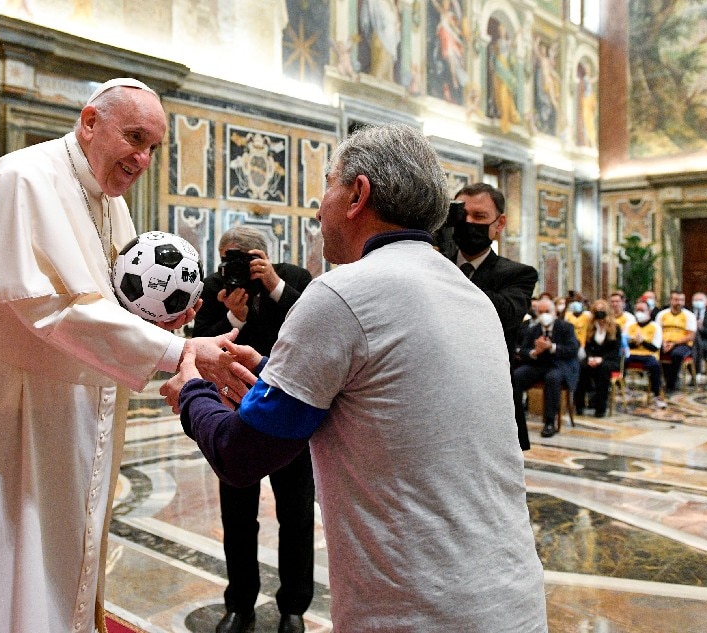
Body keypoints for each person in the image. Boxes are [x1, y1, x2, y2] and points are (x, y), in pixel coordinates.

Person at [0, 78, 241, 633]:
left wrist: (158, 318)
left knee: (50, 559)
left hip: (62, 412)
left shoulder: (111, 204)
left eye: (153, 147)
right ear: (90, 122)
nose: (142, 159)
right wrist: (177, 349)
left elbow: (107, 300)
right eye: (133, 138)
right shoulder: (22, 180)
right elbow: (52, 311)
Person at [162, 123, 548, 632]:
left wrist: (192, 389)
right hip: (512, 600)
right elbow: (382, 402)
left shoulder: (343, 292)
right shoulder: (468, 293)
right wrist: (275, 380)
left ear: (357, 194)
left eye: (327, 185)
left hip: (417, 612)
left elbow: (241, 454)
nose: (318, 209)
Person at [193, 226, 314, 633]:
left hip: (288, 412)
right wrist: (233, 318)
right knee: (238, 515)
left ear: (265, 256)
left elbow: (309, 330)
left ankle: (293, 608)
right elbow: (200, 342)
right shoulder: (214, 287)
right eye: (230, 257)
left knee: (296, 513)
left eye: (246, 258)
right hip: (235, 412)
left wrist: (276, 287)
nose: (237, 266)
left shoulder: (293, 278)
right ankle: (239, 603)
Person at [448, 182, 538, 360]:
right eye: (462, 215)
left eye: (479, 216)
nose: (468, 222)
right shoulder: (437, 263)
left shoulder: (519, 274)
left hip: (487, 375)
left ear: (499, 223)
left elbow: (505, 316)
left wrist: (446, 281)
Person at [513, 298, 580, 440]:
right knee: (517, 375)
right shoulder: (533, 330)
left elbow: (572, 349)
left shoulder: (566, 327)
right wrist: (535, 352)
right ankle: (515, 418)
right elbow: (523, 351)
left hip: (559, 365)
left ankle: (549, 422)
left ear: (554, 312)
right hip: (538, 365)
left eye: (547, 312)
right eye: (541, 312)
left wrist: (552, 347)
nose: (544, 315)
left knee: (553, 378)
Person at [574, 300, 622, 417]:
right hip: (593, 358)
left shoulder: (615, 328)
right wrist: (590, 358)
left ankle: (600, 407)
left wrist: (601, 359)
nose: (599, 313)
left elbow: (615, 350)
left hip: (609, 360)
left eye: (602, 310)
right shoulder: (591, 327)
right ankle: (579, 405)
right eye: (596, 311)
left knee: (603, 370)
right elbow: (588, 347)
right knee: (581, 367)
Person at [626, 300, 668, 408]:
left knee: (654, 367)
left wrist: (642, 341)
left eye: (642, 310)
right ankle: (621, 389)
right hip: (631, 353)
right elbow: (625, 344)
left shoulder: (655, 326)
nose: (639, 312)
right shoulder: (630, 326)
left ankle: (656, 395)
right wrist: (636, 342)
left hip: (649, 355)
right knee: (618, 362)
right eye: (637, 310)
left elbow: (655, 347)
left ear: (649, 311)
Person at [656, 290, 696, 393]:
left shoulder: (689, 316)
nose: (679, 302)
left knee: (676, 354)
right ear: (670, 300)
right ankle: (658, 382)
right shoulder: (661, 314)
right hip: (664, 342)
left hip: (682, 344)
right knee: (654, 353)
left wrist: (674, 343)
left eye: (681, 300)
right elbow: (657, 331)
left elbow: (690, 336)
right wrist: (663, 342)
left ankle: (671, 384)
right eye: (676, 299)